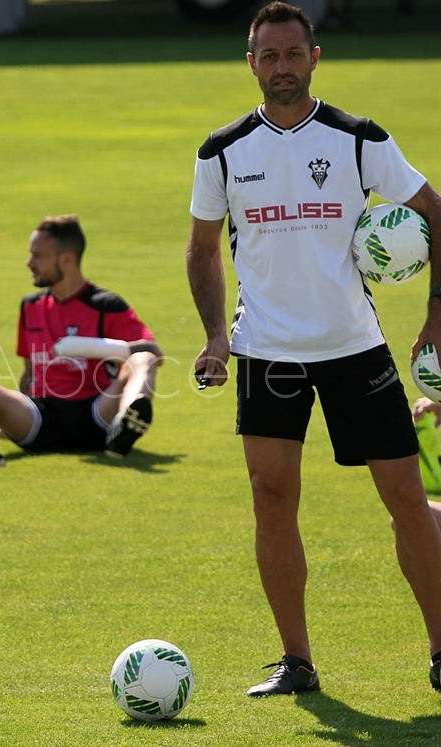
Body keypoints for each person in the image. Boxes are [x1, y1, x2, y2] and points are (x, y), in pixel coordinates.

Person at [186, 1, 441, 696]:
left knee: (404, 497)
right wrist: (216, 336)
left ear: (315, 57)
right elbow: (203, 250)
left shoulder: (359, 138)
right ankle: (296, 661)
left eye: (293, 54)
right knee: (271, 499)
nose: (281, 68)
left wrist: (435, 316)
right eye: (267, 56)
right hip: (268, 354)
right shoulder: (223, 151)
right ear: (250, 64)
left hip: (356, 348)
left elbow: (434, 213)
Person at [0, 214, 162, 467]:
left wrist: (93, 347)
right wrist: (11, 420)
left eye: (38, 255)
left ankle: (124, 426)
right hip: (42, 419)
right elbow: (29, 371)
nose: (29, 263)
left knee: (143, 359)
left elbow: (153, 351)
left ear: (67, 259)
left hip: (97, 415)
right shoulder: (31, 306)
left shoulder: (105, 305)